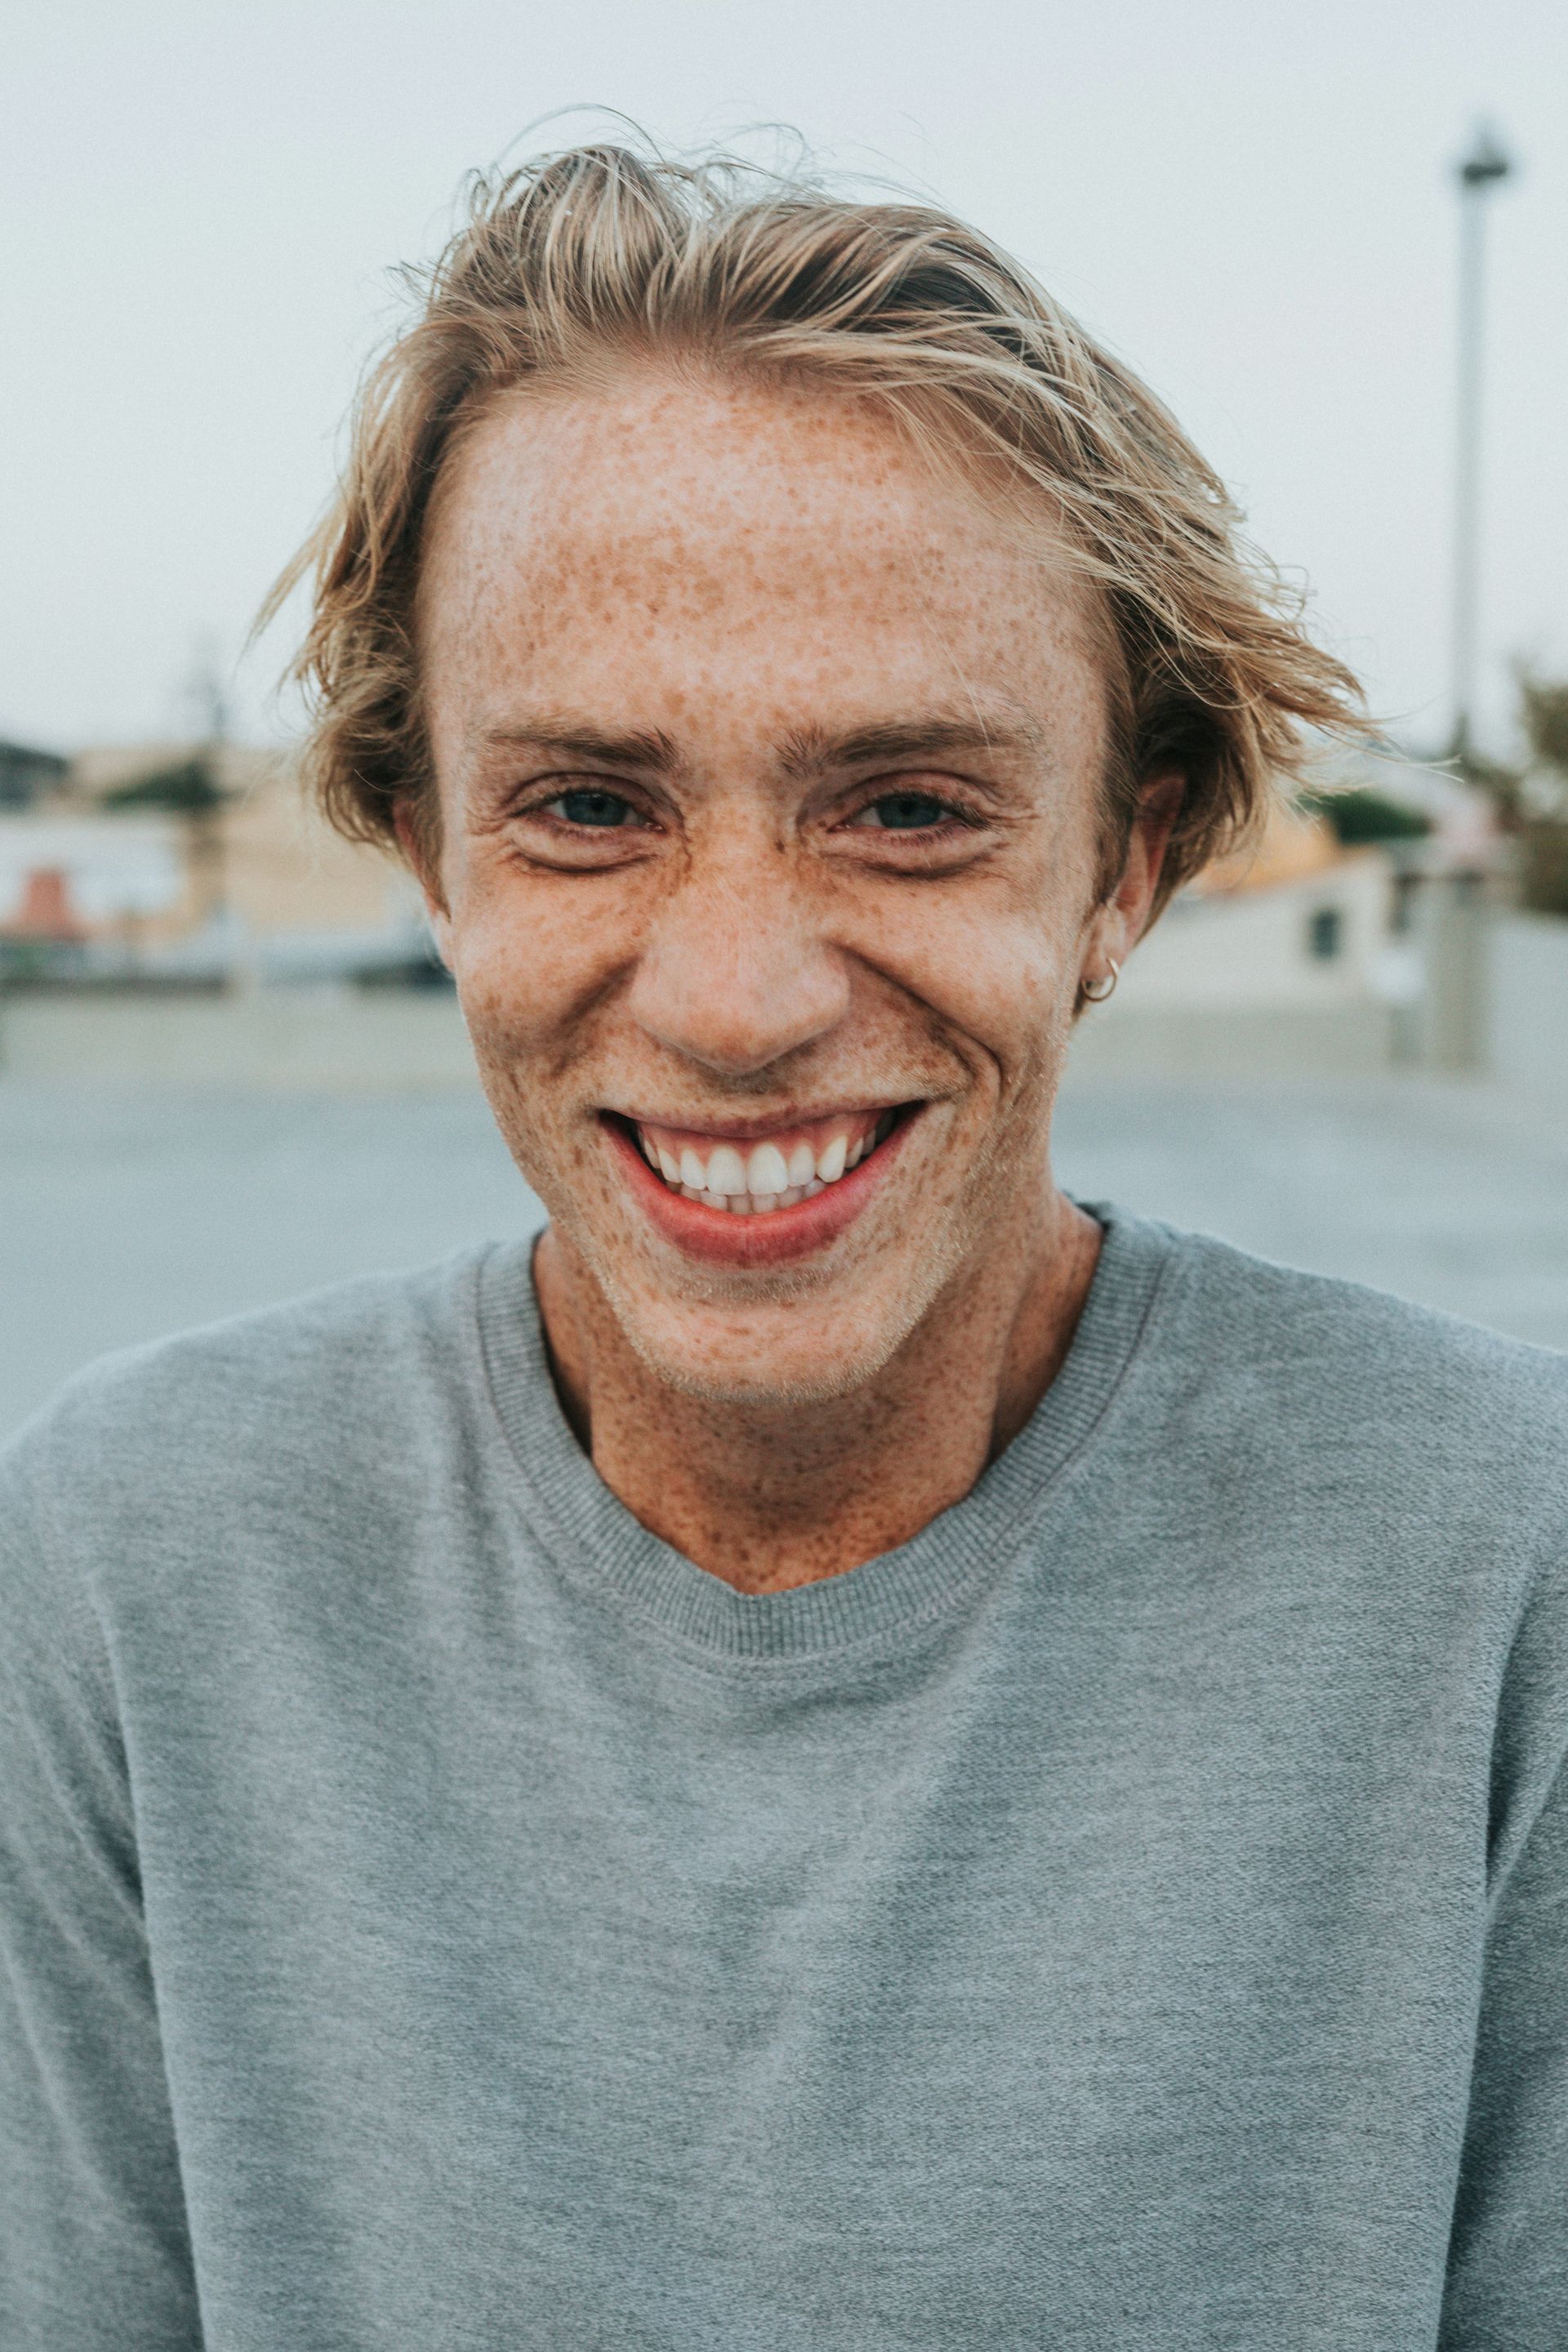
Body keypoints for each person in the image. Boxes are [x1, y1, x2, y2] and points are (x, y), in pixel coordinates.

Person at [2, 143, 1564, 2351]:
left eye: (910, 808)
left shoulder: (1501, 1559)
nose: (738, 998)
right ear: (428, 851)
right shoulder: (135, 1570)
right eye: (587, 809)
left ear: (1128, 866)